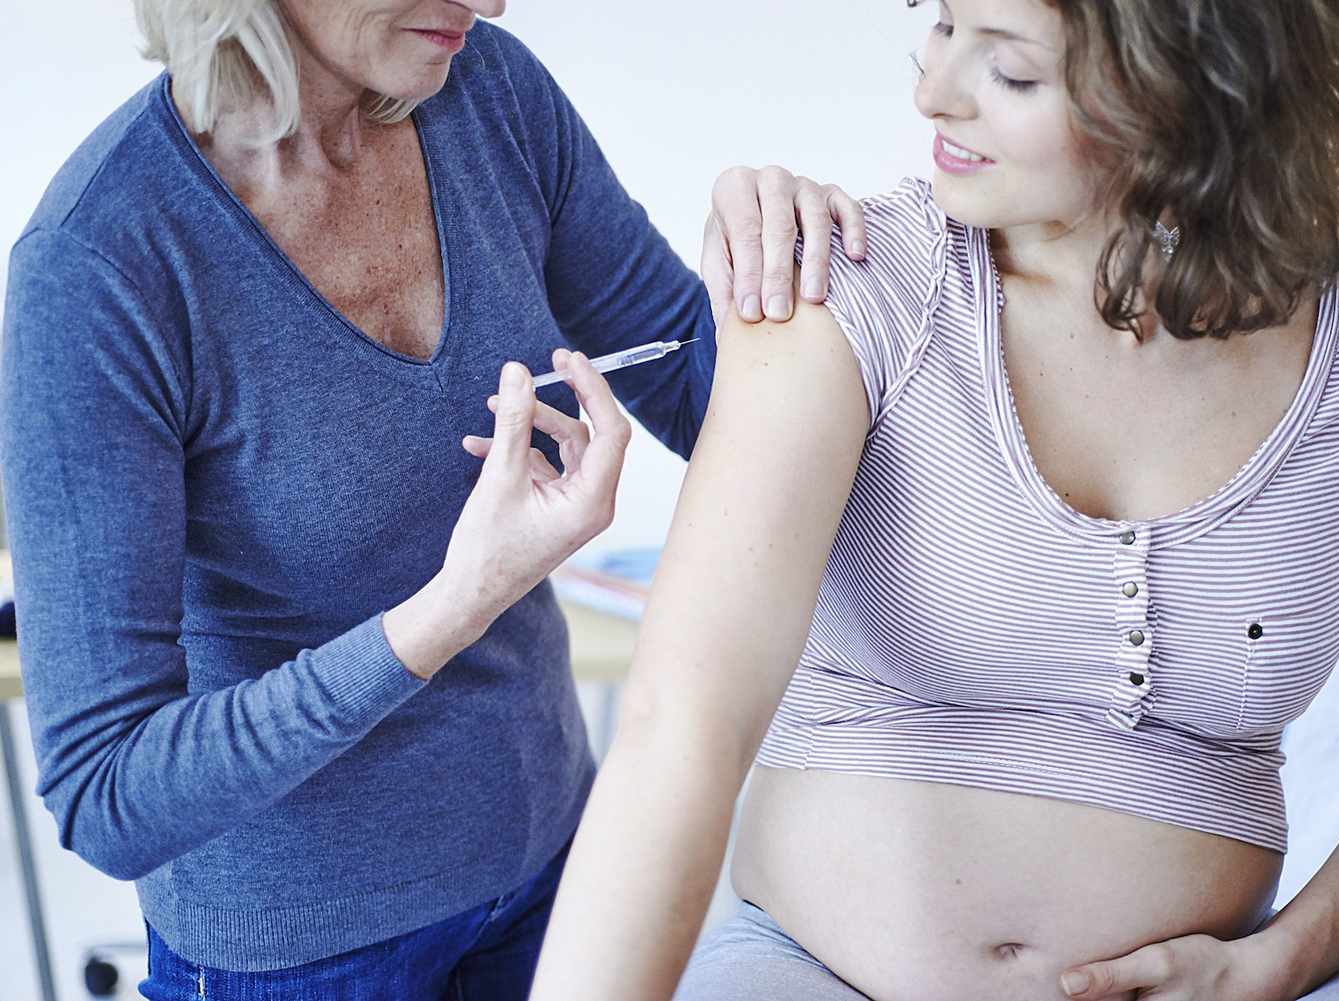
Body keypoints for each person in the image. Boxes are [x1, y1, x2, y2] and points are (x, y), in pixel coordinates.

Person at [526, 1, 1339, 999]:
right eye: (946, 25)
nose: (932, 91)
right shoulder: (852, 285)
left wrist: (1280, 958)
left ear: (1191, 90)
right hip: (819, 972)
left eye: (1013, 71)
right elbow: (675, 726)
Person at [0, 1, 867, 996]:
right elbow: (106, 793)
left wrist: (773, 259)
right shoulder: (100, 264)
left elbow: (698, 385)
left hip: (560, 869)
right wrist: (455, 603)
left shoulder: (489, 94)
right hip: (302, 955)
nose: (492, 0)